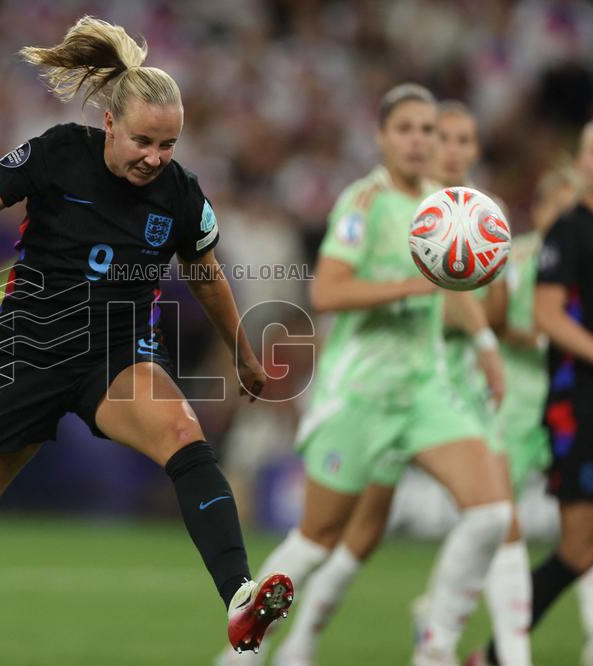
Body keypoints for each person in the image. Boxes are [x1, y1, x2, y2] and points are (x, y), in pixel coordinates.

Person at [0, 16, 292, 654]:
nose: (155, 157)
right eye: (145, 141)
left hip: (117, 355)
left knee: (184, 434)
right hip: (26, 350)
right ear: (110, 126)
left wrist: (242, 350)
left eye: (169, 144)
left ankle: (238, 597)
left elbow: (205, 277)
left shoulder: (181, 196)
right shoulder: (59, 150)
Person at [220, 84, 513, 666]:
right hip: (361, 393)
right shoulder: (363, 202)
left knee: (492, 513)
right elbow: (326, 292)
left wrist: (482, 342)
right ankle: (242, 655)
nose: (418, 140)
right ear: (380, 137)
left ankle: (436, 648)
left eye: (428, 130)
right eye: (404, 128)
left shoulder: (445, 206)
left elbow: (454, 293)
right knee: (319, 538)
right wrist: (414, 282)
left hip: (426, 389)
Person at [478, 115, 593, 665]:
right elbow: (548, 316)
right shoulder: (568, 229)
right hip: (586, 405)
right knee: (577, 551)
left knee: (583, 550)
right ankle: (496, 652)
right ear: (584, 161)